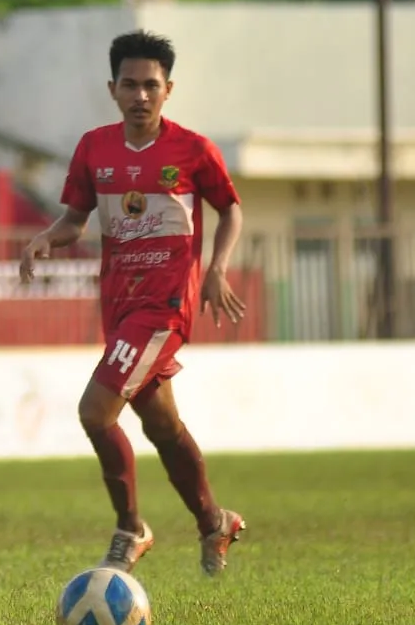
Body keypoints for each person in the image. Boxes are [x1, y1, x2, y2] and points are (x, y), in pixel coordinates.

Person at [19, 30, 248, 577]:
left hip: (164, 306)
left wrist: (215, 270)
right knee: (162, 426)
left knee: (95, 412)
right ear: (112, 89)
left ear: (169, 89)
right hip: (119, 305)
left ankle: (131, 527)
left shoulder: (192, 150)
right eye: (130, 85)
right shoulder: (94, 148)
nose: (140, 95)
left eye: (151, 85)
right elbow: (75, 221)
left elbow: (230, 209)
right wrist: (47, 238)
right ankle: (214, 521)